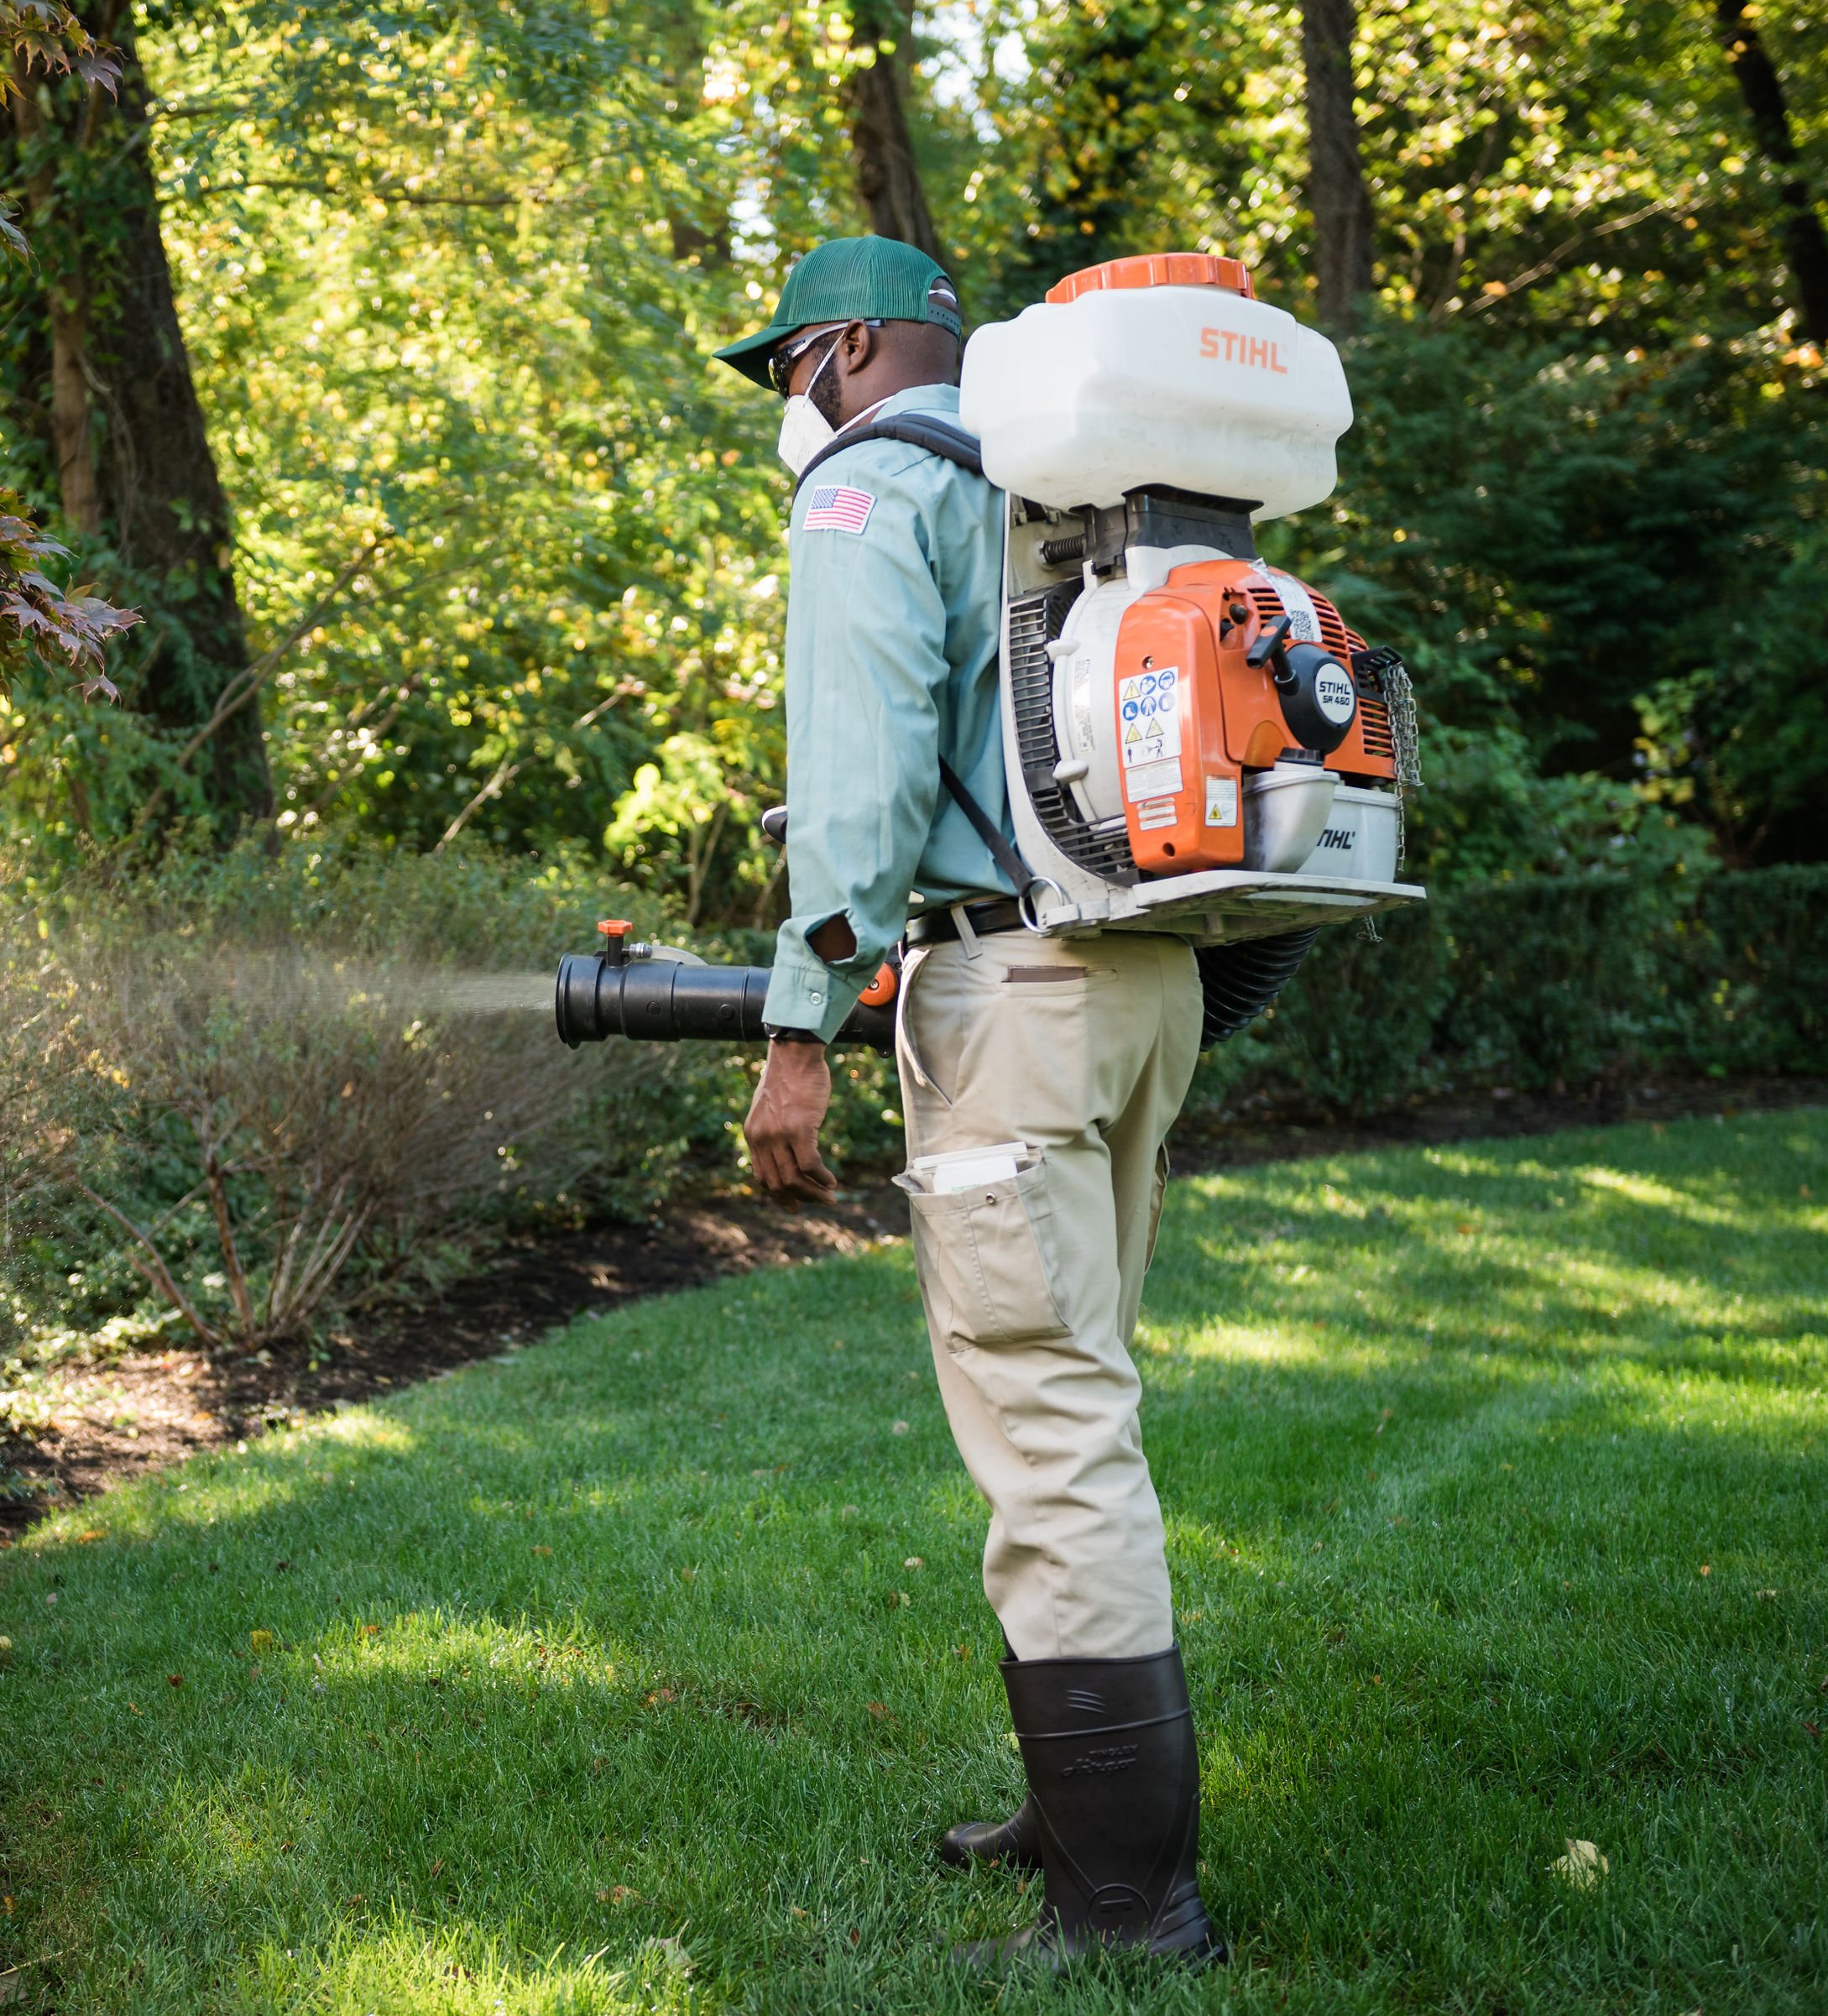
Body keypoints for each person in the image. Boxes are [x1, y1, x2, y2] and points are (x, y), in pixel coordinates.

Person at [713, 237, 1218, 1970]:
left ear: (850, 346)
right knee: (1074, 1396)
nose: (791, 401)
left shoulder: (871, 487)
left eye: (792, 365)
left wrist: (800, 1032)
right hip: (1141, 981)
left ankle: (1129, 1903)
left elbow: (857, 780)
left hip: (1014, 992)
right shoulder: (1066, 479)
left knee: (1053, 1433)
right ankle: (1075, 1811)